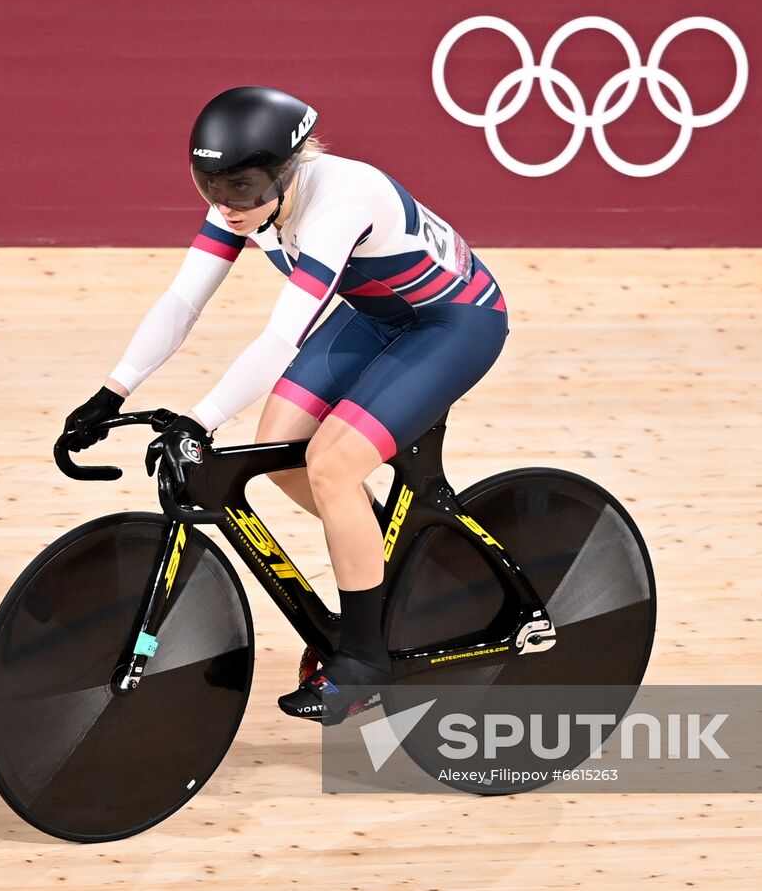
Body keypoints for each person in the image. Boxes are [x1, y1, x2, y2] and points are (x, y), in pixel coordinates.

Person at [62, 85, 509, 724]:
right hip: (379, 313)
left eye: (241, 188)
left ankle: (363, 666)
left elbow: (282, 336)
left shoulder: (337, 202)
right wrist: (113, 391)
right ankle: (393, 558)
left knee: (330, 465)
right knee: (276, 449)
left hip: (453, 323)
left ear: (285, 171)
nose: (226, 205)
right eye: (209, 186)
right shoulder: (245, 201)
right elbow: (183, 301)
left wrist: (199, 420)